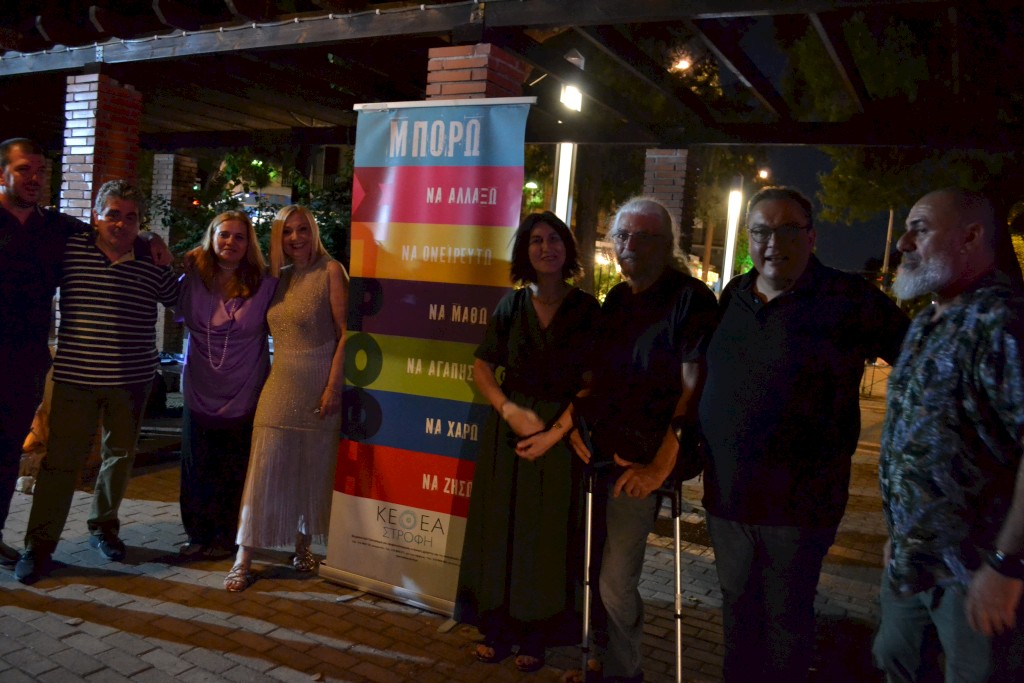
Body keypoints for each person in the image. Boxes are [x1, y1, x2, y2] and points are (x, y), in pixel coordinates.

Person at [698, 186, 909, 682]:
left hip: (800, 507)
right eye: (761, 232)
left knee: (786, 624)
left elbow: (918, 358)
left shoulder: (847, 297)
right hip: (728, 500)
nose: (773, 243)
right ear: (749, 239)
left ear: (811, 237)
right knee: (737, 613)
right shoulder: (734, 294)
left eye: (787, 230)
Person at [874, 188, 1024, 682]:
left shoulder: (1002, 322)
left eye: (919, 229)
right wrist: (901, 536)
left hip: (976, 573)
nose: (902, 244)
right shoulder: (928, 320)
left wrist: (1007, 564)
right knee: (895, 658)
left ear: (970, 237)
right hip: (914, 567)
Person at [0, 138, 170, 569]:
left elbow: (183, 298)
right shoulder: (73, 248)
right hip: (75, 377)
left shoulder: (144, 259)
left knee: (118, 458)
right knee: (60, 463)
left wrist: (155, 241)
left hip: (125, 379)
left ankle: (103, 528)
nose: (120, 223)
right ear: (95, 216)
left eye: (130, 217)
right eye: (112, 214)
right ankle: (38, 548)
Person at [571, 197, 718, 682]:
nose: (629, 244)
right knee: (589, 566)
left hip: (642, 463)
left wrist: (659, 467)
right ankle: (599, 654)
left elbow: (694, 389)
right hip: (598, 452)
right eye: (622, 235)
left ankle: (624, 671)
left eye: (644, 236)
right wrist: (572, 425)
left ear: (667, 244)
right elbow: (597, 378)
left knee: (615, 580)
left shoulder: (690, 298)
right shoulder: (617, 298)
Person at [455, 212, 600, 673]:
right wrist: (508, 409)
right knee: (501, 528)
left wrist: (559, 429)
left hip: (560, 434)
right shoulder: (510, 306)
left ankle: (537, 634)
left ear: (567, 248)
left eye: (554, 239)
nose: (546, 248)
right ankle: (497, 629)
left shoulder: (587, 310)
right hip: (509, 434)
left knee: (547, 535)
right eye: (536, 240)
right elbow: (482, 366)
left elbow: (594, 383)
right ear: (525, 251)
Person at [224, 205, 348, 592]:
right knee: (264, 468)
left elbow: (347, 333)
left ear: (314, 232)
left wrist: (333, 387)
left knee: (311, 468)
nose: (296, 238)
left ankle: (302, 545)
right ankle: (244, 555)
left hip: (318, 385)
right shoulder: (276, 278)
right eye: (287, 232)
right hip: (279, 383)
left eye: (303, 229)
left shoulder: (332, 271)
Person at [176, 211, 276, 558]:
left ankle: (226, 536)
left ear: (249, 245)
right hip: (199, 386)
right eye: (224, 234)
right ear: (212, 237)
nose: (230, 242)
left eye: (239, 237)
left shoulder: (265, 283)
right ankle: (197, 534)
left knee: (234, 466)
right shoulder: (193, 278)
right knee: (197, 465)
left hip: (244, 389)